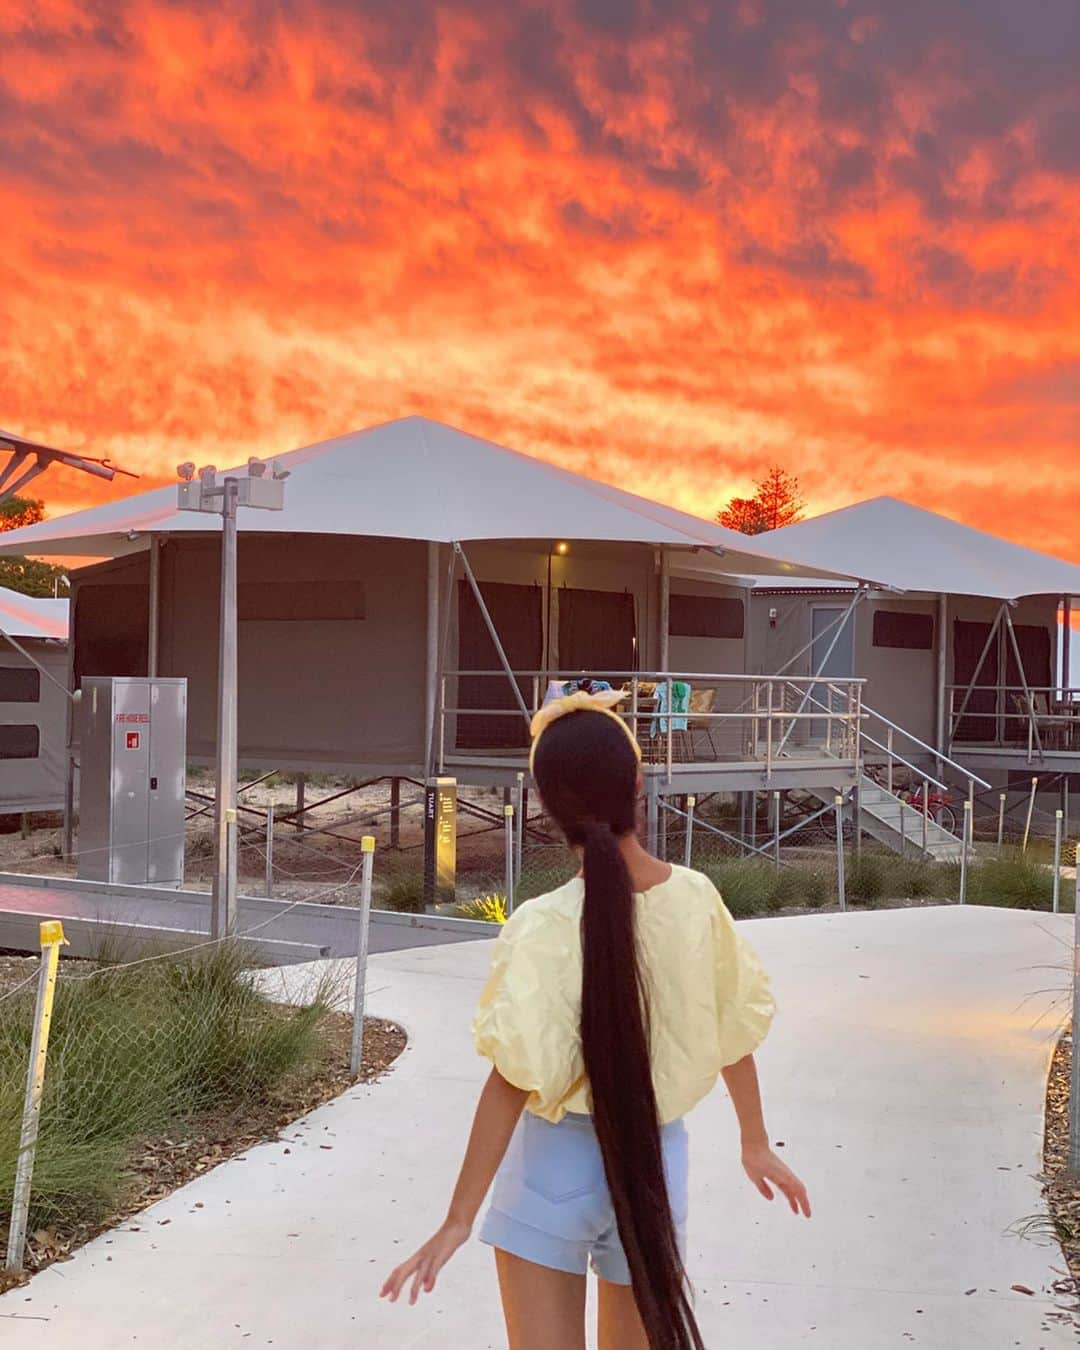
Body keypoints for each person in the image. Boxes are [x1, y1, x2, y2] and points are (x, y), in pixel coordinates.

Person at [381, 689, 810, 1349]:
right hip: (655, 1170)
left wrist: (457, 1220)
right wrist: (754, 1141)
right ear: (637, 781)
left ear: (546, 803)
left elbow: (512, 1079)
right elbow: (734, 1033)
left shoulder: (541, 925)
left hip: (553, 1167)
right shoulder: (696, 899)